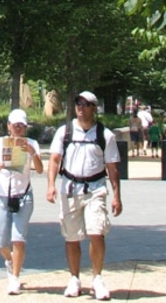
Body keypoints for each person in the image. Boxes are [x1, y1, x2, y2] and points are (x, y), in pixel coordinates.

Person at [46, 91, 122, 301]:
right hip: (70, 189)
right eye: (78, 103)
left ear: (94, 108)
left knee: (96, 231)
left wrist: (116, 196)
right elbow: (54, 160)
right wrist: (51, 185)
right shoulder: (65, 132)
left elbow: (113, 168)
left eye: (86, 104)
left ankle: (97, 278)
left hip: (95, 189)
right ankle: (74, 278)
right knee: (72, 237)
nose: (81, 107)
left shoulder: (104, 135)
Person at [0, 108, 43, 295]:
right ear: (8, 126)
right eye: (15, 125)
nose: (18, 129)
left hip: (24, 195)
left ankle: (15, 278)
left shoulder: (32, 143)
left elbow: (40, 169)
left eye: (22, 126)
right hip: (2, 196)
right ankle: (9, 260)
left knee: (18, 238)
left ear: (26, 127)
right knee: (1, 242)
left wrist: (33, 153)